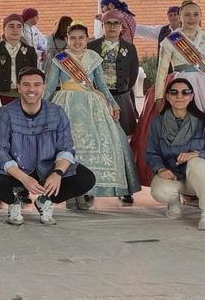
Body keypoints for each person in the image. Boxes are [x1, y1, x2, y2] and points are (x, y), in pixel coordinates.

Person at [132, 0, 205, 186]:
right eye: (187, 14)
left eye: (195, 14)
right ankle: (180, 176)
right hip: (179, 86)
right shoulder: (171, 40)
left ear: (201, 16)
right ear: (179, 17)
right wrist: (158, 96)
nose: (191, 18)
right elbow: (162, 70)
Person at [0, 68, 97, 225]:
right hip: (18, 171)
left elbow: (66, 148)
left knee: (86, 178)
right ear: (19, 87)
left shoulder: (57, 113)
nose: (31, 89)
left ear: (43, 87)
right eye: (26, 84)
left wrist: (57, 173)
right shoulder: (5, 113)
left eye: (37, 85)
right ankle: (14, 203)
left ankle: (45, 201)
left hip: (47, 170)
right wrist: (24, 178)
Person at [43, 20, 139, 208]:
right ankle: (70, 193)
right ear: (67, 40)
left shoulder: (94, 57)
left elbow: (101, 85)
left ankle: (85, 191)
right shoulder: (60, 59)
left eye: (81, 38)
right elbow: (49, 86)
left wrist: (113, 105)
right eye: (73, 38)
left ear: (87, 39)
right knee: (69, 148)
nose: (77, 42)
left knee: (92, 147)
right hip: (66, 104)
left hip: (92, 103)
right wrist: (43, 108)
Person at [145, 78, 205, 231]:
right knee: (159, 191)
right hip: (174, 175)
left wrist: (197, 154)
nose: (179, 96)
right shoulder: (158, 122)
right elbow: (152, 153)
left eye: (185, 92)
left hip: (199, 178)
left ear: (192, 96)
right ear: (168, 97)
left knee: (197, 163)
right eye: (174, 92)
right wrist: (160, 169)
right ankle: (174, 201)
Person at [87, 10, 140, 136]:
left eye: (116, 23)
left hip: (122, 96)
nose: (112, 26)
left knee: (124, 133)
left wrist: (124, 89)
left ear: (122, 27)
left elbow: (134, 73)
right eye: (108, 23)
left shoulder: (130, 48)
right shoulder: (91, 46)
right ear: (102, 26)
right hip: (98, 97)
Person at [0, 14, 38, 105]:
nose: (15, 29)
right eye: (11, 26)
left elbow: (34, 76)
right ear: (4, 29)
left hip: (24, 97)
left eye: (19, 26)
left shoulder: (30, 51)